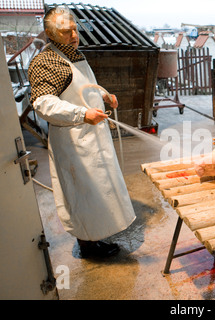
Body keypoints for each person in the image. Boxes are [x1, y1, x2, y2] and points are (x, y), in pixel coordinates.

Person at [28, 6, 136, 258]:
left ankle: (96, 235)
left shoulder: (74, 55)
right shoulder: (46, 61)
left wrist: (104, 95)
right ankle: (87, 245)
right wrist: (81, 114)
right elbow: (43, 103)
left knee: (99, 189)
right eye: (66, 32)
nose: (74, 36)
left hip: (93, 136)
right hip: (73, 140)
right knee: (82, 193)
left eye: (75, 29)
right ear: (49, 33)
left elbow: (83, 87)